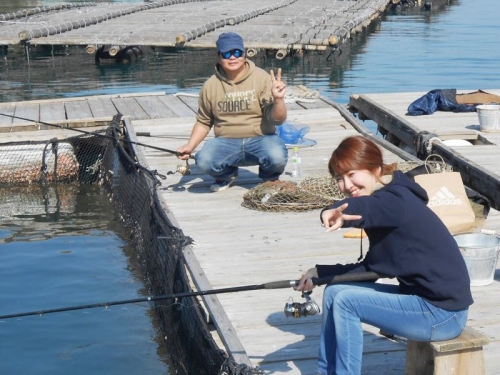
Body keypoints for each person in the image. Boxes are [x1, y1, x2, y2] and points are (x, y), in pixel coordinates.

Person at [296, 135, 473, 375]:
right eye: (340, 178)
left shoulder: (393, 200)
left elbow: (365, 209)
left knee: (347, 302)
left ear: (375, 169)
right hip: (420, 300)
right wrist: (320, 274)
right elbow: (372, 268)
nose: (347, 185)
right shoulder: (389, 202)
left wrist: (331, 211)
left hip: (442, 313)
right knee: (334, 292)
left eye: (352, 174)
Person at [176, 32, 288, 192]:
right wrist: (190, 145)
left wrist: (278, 99)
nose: (232, 57)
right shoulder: (210, 86)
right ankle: (226, 175)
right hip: (225, 142)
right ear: (218, 56)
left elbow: (278, 120)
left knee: (277, 156)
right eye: (227, 53)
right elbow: (203, 121)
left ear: (244, 53)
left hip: (261, 139)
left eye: (237, 52)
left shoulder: (262, 78)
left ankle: (269, 178)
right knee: (203, 160)